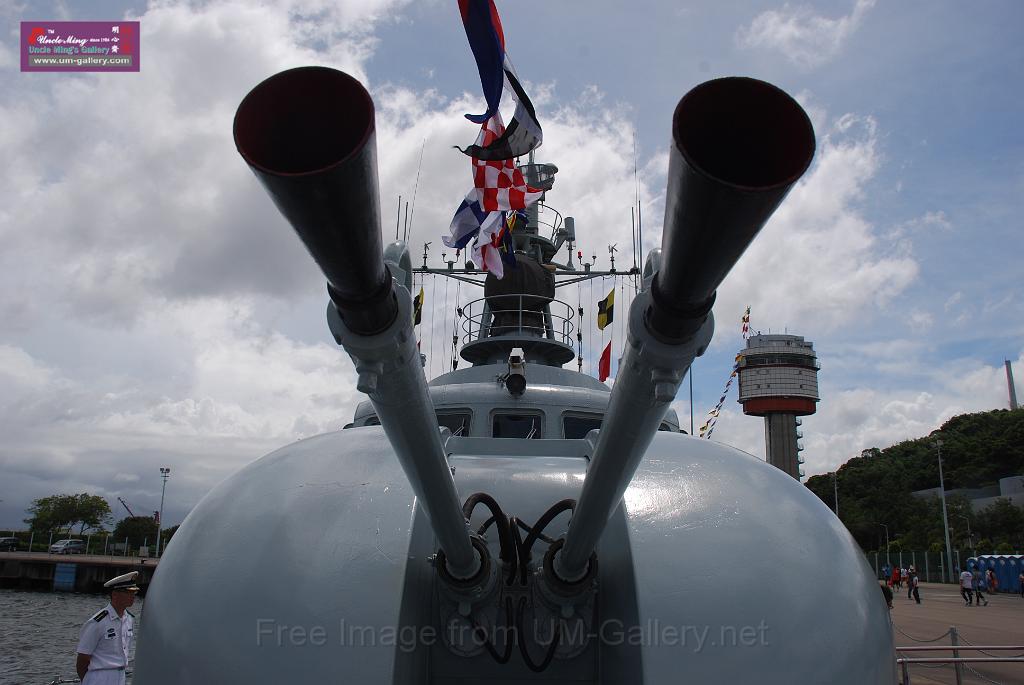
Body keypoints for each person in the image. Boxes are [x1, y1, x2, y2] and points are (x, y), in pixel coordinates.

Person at [76, 571, 138, 684]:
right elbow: (83, 658)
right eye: (129, 592)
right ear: (115, 594)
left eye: (134, 592)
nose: (133, 596)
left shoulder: (129, 619)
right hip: (100, 676)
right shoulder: (98, 622)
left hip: (120, 675)